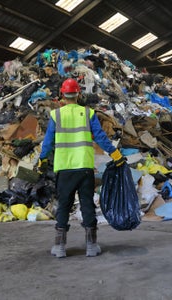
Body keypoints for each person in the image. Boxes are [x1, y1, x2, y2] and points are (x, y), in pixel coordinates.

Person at [37, 78, 125, 258]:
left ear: (62, 94)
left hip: (64, 168)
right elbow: (100, 137)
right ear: (78, 94)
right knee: (87, 205)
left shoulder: (57, 115)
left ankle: (60, 247)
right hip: (84, 168)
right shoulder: (88, 113)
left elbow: (47, 143)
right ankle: (91, 246)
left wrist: (42, 160)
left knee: (64, 206)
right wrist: (115, 154)